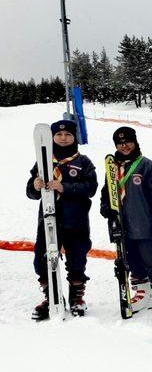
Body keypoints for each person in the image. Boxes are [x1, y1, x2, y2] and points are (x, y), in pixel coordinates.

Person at [27, 120, 97, 320]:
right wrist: (35, 185)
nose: (63, 138)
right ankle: (52, 297)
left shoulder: (83, 162)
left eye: (68, 135)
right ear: (52, 137)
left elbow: (90, 188)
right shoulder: (43, 160)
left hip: (76, 219)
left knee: (77, 259)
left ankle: (76, 298)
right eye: (59, 135)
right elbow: (30, 192)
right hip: (48, 219)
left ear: (74, 137)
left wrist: (65, 187)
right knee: (42, 258)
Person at [100, 127, 152, 318]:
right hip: (122, 226)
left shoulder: (148, 166)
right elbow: (107, 192)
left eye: (128, 141)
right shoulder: (112, 167)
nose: (125, 146)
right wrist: (106, 207)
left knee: (151, 259)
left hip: (144, 224)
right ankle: (143, 293)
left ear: (135, 142)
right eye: (120, 143)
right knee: (131, 260)